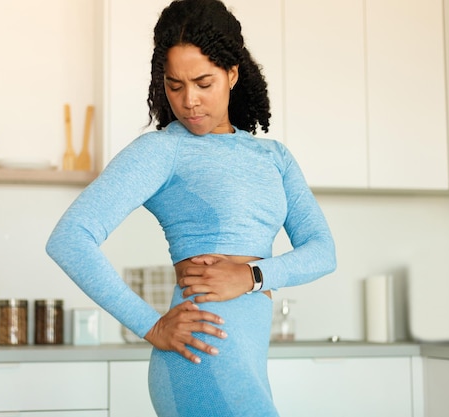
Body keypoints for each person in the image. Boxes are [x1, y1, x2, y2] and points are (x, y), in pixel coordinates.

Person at [46, 0, 336, 415]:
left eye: (203, 82)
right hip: (201, 357)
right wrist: (151, 324)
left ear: (232, 74)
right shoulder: (163, 150)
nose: (189, 101)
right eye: (175, 85)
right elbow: (69, 239)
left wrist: (251, 275)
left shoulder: (274, 157)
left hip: (245, 360)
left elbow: (323, 252)